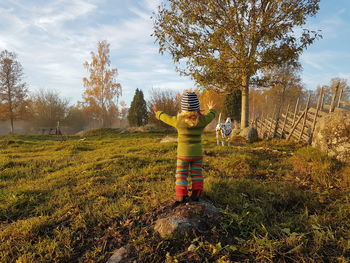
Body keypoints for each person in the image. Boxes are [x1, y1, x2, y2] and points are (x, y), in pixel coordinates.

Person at [152, 91, 216, 204]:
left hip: (183, 155)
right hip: (197, 154)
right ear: (197, 108)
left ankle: (181, 195)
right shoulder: (202, 120)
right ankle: (196, 193)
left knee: (181, 174)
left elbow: (165, 117)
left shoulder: (178, 121)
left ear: (183, 108)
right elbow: (211, 115)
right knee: (197, 173)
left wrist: (158, 112)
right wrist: (212, 109)